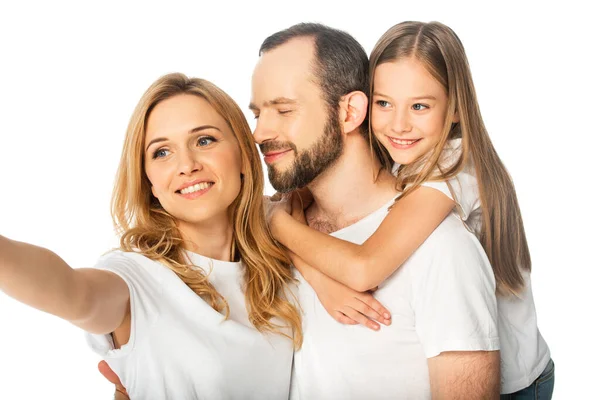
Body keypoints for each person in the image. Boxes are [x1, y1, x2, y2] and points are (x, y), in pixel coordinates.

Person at [267, 21, 554, 398]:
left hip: (519, 384)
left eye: (419, 106)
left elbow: (364, 267)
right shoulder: (408, 152)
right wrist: (319, 280)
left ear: (454, 110)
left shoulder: (452, 168)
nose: (399, 124)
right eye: (384, 103)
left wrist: (275, 223)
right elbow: (300, 195)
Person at [0, 73, 307, 399]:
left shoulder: (280, 267)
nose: (187, 165)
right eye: (162, 152)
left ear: (244, 155)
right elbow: (72, 290)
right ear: (149, 181)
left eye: (204, 141)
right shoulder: (136, 277)